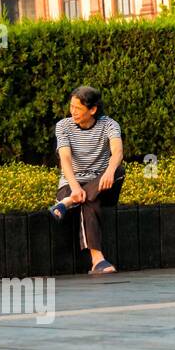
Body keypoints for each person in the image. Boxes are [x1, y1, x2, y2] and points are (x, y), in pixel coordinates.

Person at [48, 86, 125, 274]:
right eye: (71, 106)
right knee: (89, 200)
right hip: (71, 185)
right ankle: (98, 260)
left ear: (93, 110)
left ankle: (66, 203)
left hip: (102, 183)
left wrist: (109, 171)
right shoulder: (63, 126)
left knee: (118, 170)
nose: (73, 112)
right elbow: (64, 159)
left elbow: (118, 152)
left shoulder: (109, 125)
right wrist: (74, 188)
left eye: (78, 108)